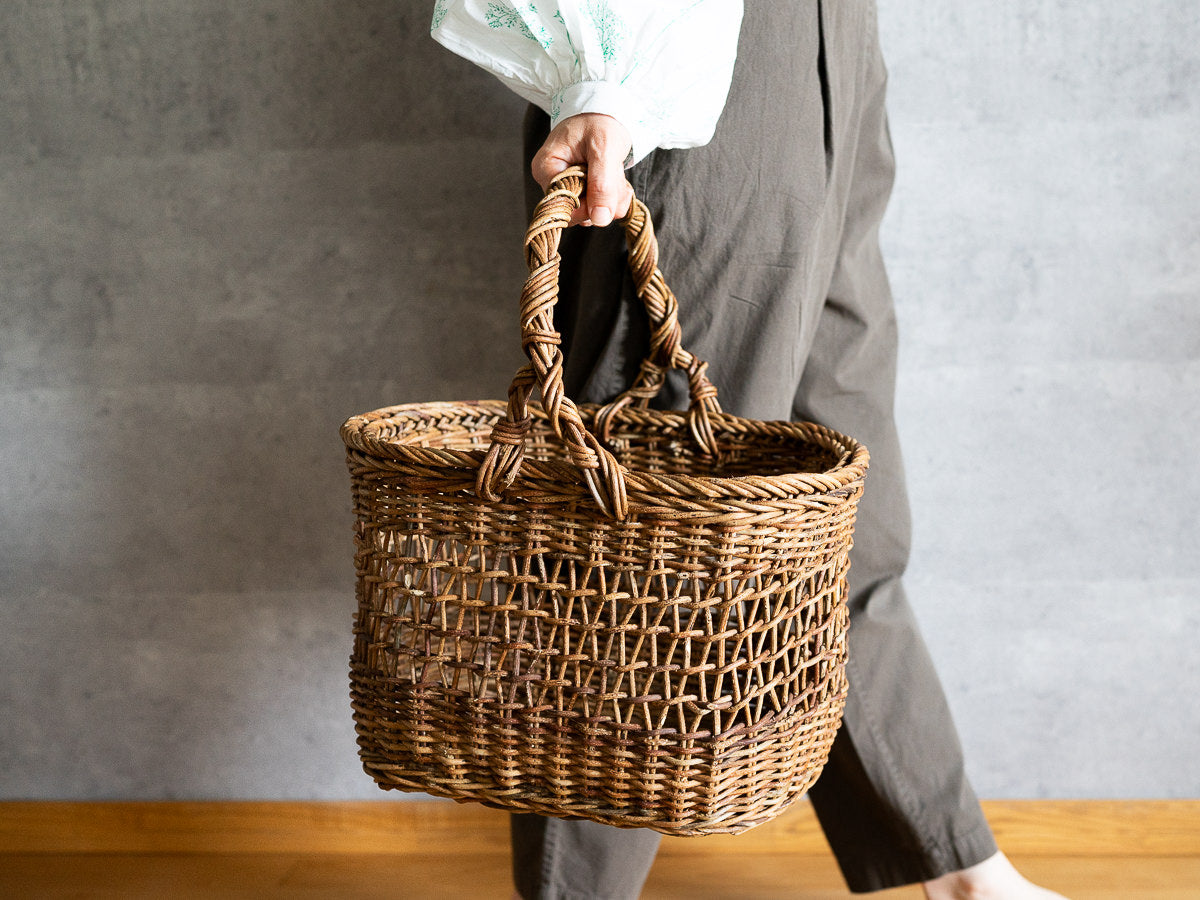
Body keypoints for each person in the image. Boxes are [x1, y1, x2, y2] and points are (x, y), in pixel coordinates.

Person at [432, 3, 1066, 898]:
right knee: (641, 555)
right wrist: (603, 79)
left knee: (842, 518)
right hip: (692, 54)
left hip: (834, 44)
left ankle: (954, 867)